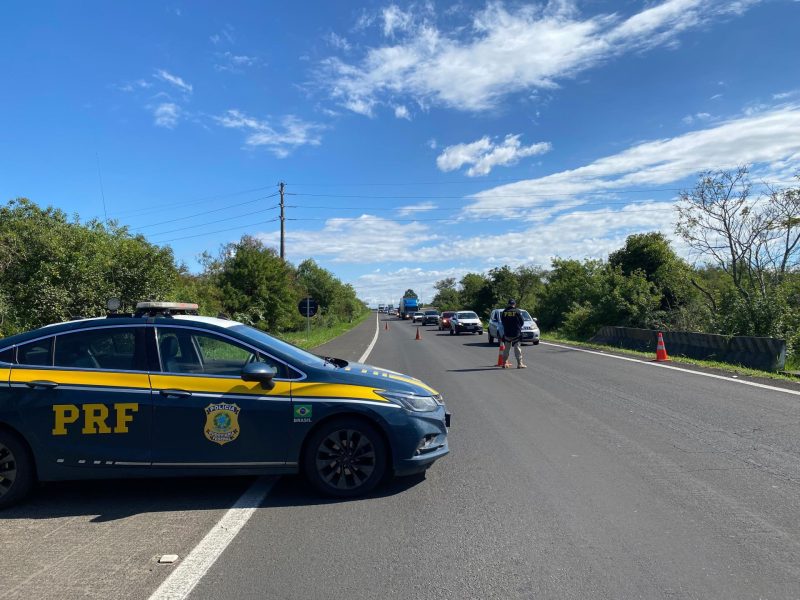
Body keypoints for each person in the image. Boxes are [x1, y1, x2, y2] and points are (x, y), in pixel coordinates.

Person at [499, 298, 526, 369]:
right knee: (517, 348)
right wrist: (518, 327)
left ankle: (504, 363)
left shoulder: (504, 312)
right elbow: (522, 322)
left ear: (508, 304)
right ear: (514, 304)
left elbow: (502, 322)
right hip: (516, 333)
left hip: (507, 333)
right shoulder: (517, 311)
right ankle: (519, 364)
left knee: (506, 349)